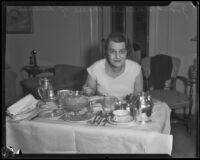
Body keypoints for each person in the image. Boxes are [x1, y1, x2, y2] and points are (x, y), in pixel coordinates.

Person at [82, 32, 143, 99]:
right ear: (106, 52)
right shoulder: (95, 68)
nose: (117, 56)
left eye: (122, 51)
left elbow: (138, 99)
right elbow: (89, 95)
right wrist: (87, 92)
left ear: (127, 52)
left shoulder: (136, 69)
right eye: (112, 51)